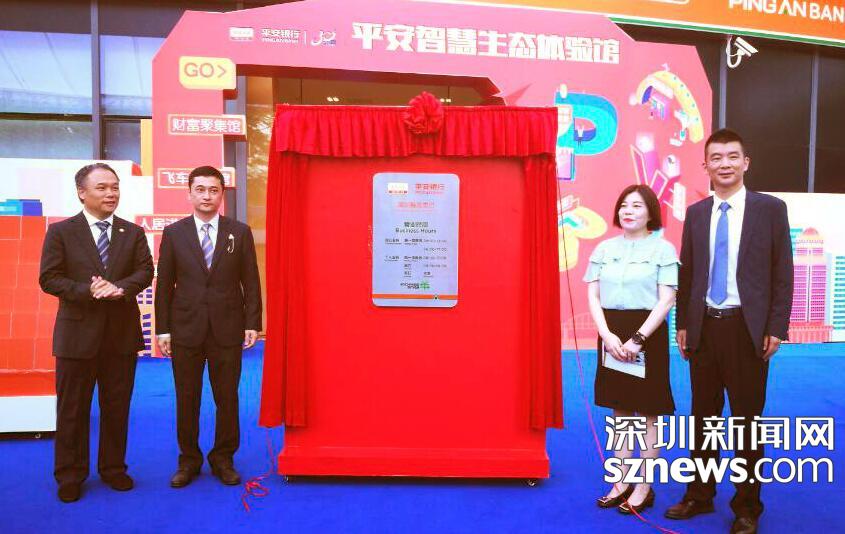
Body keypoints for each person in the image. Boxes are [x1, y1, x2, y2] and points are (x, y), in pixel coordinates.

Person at [665, 129, 792, 534]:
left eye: (732, 156)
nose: (725, 164)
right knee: (703, 419)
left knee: (746, 422)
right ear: (705, 165)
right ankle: (699, 495)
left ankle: (747, 507)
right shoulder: (697, 213)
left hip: (747, 330)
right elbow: (688, 272)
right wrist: (684, 323)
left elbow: (782, 272)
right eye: (716, 157)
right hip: (704, 327)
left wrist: (776, 327)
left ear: (745, 163)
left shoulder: (770, 209)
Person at [39, 163, 154, 503]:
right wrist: (88, 290)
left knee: (116, 407)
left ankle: (113, 468)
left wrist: (119, 288)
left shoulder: (132, 233)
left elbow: (145, 271)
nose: (111, 193)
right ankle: (70, 475)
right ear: (82, 192)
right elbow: (49, 278)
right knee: (72, 409)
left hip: (120, 335)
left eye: (115, 187)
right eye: (102, 187)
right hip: (76, 337)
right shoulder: (61, 232)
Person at [155, 165, 262, 488]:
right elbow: (165, 286)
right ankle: (188, 460)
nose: (207, 196)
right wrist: (163, 329)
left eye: (213, 190)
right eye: (200, 190)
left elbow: (251, 281)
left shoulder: (238, 232)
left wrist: (252, 322)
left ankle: (223, 458)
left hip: (227, 327)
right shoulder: (174, 233)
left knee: (227, 398)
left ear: (221, 195)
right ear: (189, 193)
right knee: (187, 398)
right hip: (185, 328)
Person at [584, 184, 679, 515]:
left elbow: (667, 299)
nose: (628, 211)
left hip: (647, 333)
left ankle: (643, 486)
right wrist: (606, 335)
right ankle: (621, 480)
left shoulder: (663, 249)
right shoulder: (604, 248)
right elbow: (593, 295)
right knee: (620, 409)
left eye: (637, 205)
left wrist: (638, 338)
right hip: (611, 333)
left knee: (648, 412)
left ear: (651, 212)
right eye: (624, 205)